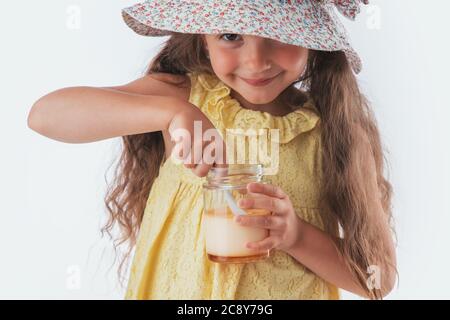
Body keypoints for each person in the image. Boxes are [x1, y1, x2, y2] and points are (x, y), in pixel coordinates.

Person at [27, 0, 397, 299]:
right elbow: (46, 115)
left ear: (313, 40)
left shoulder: (335, 132)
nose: (256, 60)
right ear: (203, 38)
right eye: (231, 35)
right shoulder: (184, 96)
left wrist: (296, 235)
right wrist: (173, 112)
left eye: (279, 34)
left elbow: (377, 278)